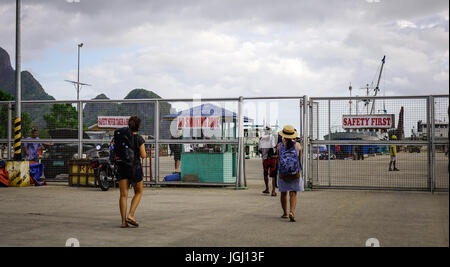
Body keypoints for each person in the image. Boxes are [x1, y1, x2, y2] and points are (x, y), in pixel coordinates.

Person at [117, 116, 147, 228]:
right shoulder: (139, 139)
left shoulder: (122, 137)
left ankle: (123, 222)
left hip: (122, 167)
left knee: (123, 195)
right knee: (138, 192)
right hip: (135, 168)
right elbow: (143, 155)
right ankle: (131, 215)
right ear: (138, 126)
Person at [277, 125, 303, 222]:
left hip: (283, 173)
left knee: (283, 193)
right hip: (294, 173)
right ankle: (292, 212)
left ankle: (285, 213)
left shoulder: (279, 146)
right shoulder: (298, 145)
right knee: (293, 193)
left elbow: (279, 158)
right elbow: (299, 158)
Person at [258, 125, 277, 196]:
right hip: (273, 158)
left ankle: (267, 189)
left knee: (265, 174)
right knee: (273, 175)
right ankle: (273, 191)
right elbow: (273, 147)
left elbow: (259, 150)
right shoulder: (273, 137)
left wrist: (264, 152)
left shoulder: (261, 139)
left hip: (265, 159)